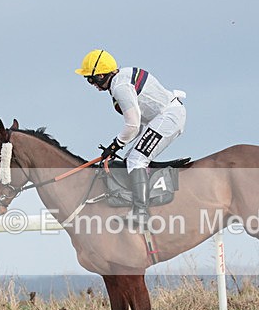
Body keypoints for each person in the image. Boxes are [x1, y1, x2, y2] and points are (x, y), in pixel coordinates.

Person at [75, 49, 186, 226]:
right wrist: (118, 145)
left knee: (136, 160)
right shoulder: (122, 77)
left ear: (102, 75)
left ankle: (141, 213)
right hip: (158, 118)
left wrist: (115, 145)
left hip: (167, 117)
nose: (91, 83)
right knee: (129, 160)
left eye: (91, 79)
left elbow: (133, 125)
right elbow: (137, 124)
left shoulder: (120, 87)